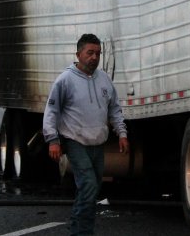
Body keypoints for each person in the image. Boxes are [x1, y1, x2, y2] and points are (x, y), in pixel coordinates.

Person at [42, 33, 129, 236]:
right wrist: (53, 140)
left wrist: (122, 134)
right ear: (78, 54)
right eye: (90, 53)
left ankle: (78, 228)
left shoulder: (104, 79)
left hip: (98, 143)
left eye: (98, 53)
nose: (94, 57)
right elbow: (51, 111)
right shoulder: (65, 80)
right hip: (75, 141)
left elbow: (114, 109)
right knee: (89, 185)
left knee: (91, 190)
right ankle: (82, 232)